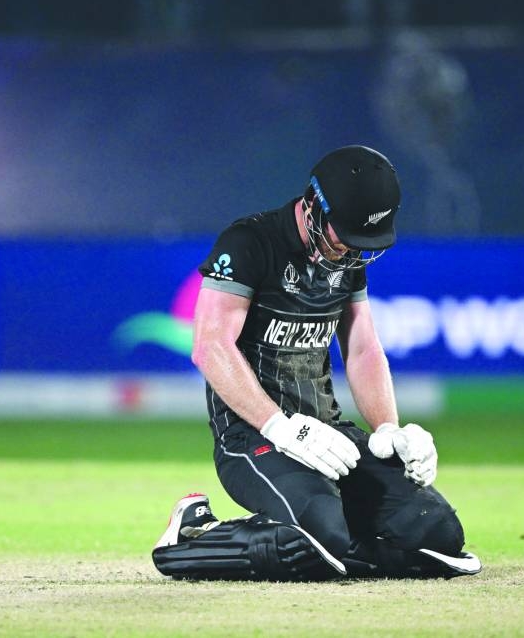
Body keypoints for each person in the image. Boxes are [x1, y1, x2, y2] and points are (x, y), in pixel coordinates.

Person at [152, 145, 482, 581]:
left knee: (437, 531)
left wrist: (388, 430)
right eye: (344, 235)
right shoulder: (249, 242)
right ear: (312, 205)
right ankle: (194, 534)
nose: (349, 251)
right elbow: (210, 346)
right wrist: (279, 426)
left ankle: (333, 550)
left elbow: (363, 348)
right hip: (253, 438)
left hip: (329, 434)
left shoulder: (347, 255)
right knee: (321, 531)